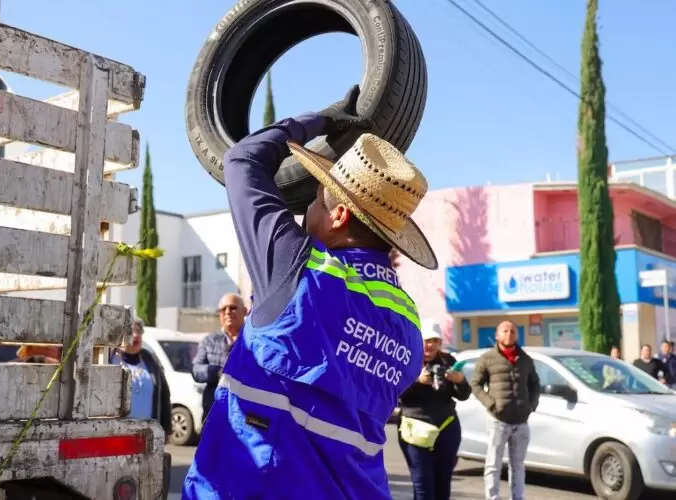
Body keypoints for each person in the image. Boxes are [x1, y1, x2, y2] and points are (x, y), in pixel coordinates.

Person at [182, 86, 434, 499]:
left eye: (314, 200)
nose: (303, 212)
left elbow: (242, 158)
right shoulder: (407, 319)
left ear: (338, 215)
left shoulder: (298, 267)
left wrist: (320, 120)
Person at [398, 322, 471, 500]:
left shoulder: (448, 361)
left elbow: (463, 395)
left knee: (443, 483)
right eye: (426, 340)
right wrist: (416, 380)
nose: (429, 345)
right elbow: (397, 395)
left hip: (446, 427)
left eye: (434, 341)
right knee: (423, 485)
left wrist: (460, 380)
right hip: (415, 429)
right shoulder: (406, 359)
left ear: (439, 343)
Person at [470, 321, 540, 500]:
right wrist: (491, 404)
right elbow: (476, 384)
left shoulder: (525, 359)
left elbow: (534, 383)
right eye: (505, 331)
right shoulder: (487, 358)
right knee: (493, 464)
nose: (509, 334)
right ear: (497, 335)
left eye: (513, 331)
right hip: (498, 420)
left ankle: (518, 497)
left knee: (518, 465)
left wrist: (531, 405)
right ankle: (493, 497)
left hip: (521, 421)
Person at [109, 318, 172, 434]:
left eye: (139, 331)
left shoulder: (150, 360)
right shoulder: (109, 359)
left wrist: (166, 429)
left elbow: (164, 395)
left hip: (147, 432)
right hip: (115, 432)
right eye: (131, 331)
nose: (136, 335)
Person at [191, 293, 246, 423]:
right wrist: (216, 372)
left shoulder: (253, 342)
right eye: (223, 309)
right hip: (214, 413)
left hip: (244, 416)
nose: (227, 312)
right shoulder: (209, 341)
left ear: (245, 311)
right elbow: (196, 370)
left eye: (232, 307)